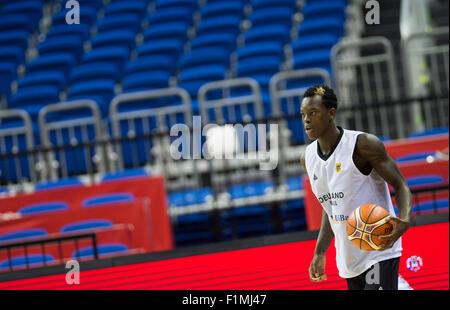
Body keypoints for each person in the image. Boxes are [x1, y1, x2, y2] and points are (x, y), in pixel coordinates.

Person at [299, 85, 412, 290]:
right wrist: (319, 252)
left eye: (313, 113)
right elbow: (331, 206)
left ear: (331, 113)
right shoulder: (307, 158)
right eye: (303, 114)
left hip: (379, 249)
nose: (306, 120)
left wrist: (403, 219)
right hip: (349, 259)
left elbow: (400, 185)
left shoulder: (363, 144)